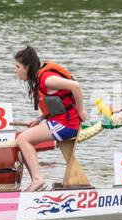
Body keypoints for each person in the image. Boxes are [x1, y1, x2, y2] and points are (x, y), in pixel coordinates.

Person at [13, 46, 87, 191]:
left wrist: (81, 110)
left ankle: (37, 179)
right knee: (22, 141)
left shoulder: (47, 79)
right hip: (58, 120)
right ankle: (36, 180)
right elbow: (54, 103)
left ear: (27, 67)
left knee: (22, 139)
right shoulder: (38, 78)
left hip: (67, 124)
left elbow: (76, 87)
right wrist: (40, 118)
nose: (16, 71)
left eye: (18, 67)